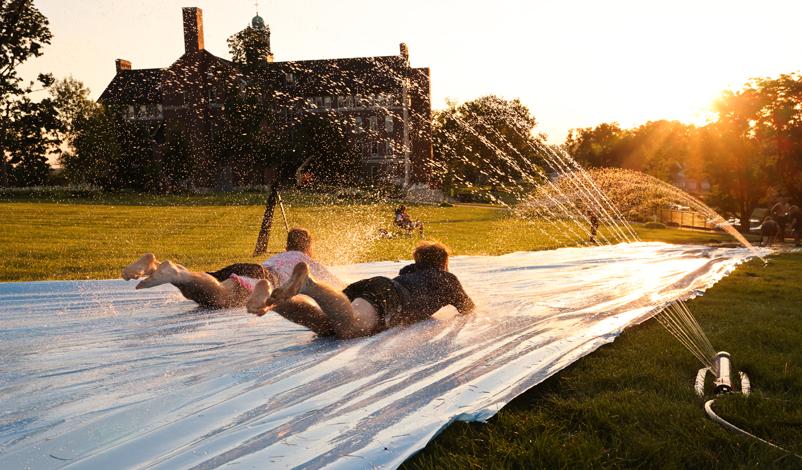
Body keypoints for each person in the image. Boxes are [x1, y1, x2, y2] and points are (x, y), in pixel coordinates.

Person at [247, 241, 475, 338]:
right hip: (388, 296)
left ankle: (271, 299)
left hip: (377, 285)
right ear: (444, 263)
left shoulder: (410, 272)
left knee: (327, 326)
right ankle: (309, 285)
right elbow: (468, 308)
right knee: (351, 328)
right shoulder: (447, 279)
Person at [122, 227, 343, 308]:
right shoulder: (308, 262)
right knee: (219, 297)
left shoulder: (281, 255)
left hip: (249, 267)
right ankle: (174, 273)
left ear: (288, 245)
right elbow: (338, 288)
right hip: (265, 278)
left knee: (201, 290)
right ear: (309, 248)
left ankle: (156, 266)